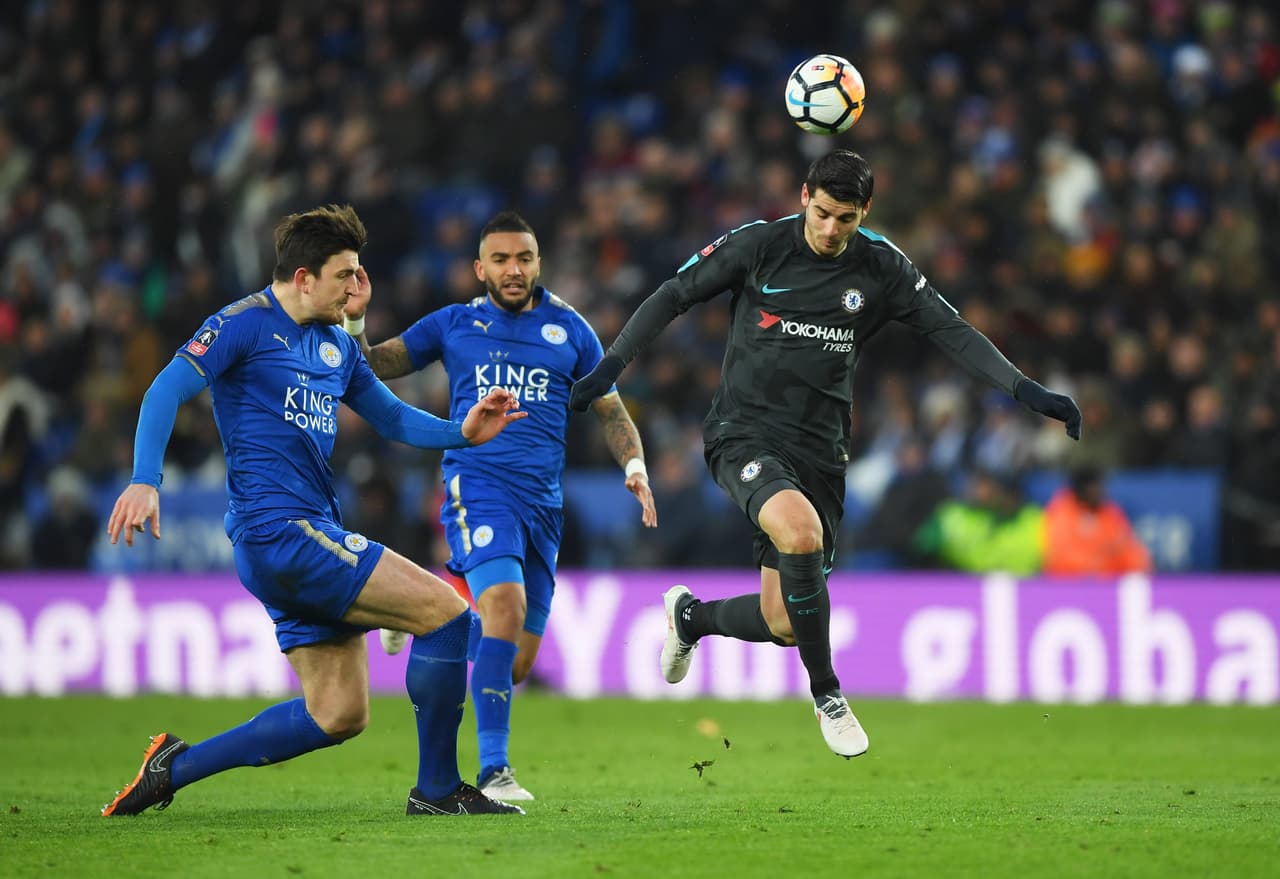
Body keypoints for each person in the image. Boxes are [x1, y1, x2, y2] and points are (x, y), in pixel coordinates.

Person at [569, 150, 1081, 757]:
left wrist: (1027, 390)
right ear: (803, 196)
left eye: (846, 218)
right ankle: (828, 695)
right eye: (822, 212)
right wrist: (609, 367)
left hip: (821, 454)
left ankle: (690, 619)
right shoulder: (761, 246)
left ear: (865, 213)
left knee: (785, 621)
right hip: (743, 433)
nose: (831, 229)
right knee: (801, 533)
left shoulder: (882, 267)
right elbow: (674, 293)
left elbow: (952, 331)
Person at [101, 205, 530, 818]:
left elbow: (392, 417)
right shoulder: (243, 325)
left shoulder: (336, 343)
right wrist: (145, 480)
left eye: (360, 274)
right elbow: (166, 387)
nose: (357, 288)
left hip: (304, 534)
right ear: (303, 278)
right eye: (346, 275)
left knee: (338, 714)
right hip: (280, 531)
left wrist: (462, 431)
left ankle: (175, 766)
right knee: (447, 617)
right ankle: (437, 791)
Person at [345, 210, 656, 801]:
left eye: (525, 259)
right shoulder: (453, 324)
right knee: (505, 610)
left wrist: (635, 467)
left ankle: (411, 615)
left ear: (539, 263)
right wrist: (357, 316)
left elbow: (612, 411)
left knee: (511, 663)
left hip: (544, 507)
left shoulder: (571, 330)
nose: (514, 270)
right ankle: (494, 771)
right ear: (479, 268)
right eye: (502, 260)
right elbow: (371, 365)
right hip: (478, 485)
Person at [911, 469, 1045, 576]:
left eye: (985, 486)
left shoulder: (1032, 517)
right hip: (962, 583)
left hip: (1023, 585)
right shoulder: (951, 514)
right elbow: (922, 545)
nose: (977, 491)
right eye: (976, 485)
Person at [1043, 466, 1152, 575]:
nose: (1099, 491)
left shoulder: (1111, 512)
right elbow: (1061, 557)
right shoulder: (1062, 511)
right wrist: (1097, 561)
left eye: (1100, 486)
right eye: (1093, 487)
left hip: (1108, 580)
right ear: (1081, 489)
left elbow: (1127, 547)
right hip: (1069, 584)